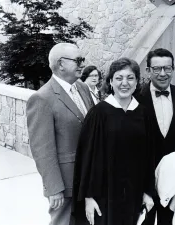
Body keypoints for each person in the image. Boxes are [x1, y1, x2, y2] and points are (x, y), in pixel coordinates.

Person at [71, 58, 155, 225]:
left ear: (137, 81)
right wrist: (88, 197)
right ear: (110, 81)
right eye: (119, 78)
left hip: (134, 193)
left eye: (130, 78)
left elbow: (149, 157)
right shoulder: (98, 114)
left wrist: (148, 191)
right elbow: (87, 159)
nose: (125, 83)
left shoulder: (143, 114)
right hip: (103, 195)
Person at [26, 43, 94, 225]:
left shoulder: (82, 88)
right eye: (78, 60)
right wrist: (54, 188)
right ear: (61, 64)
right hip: (65, 184)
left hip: (88, 178)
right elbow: (42, 149)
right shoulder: (42, 98)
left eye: (82, 60)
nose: (82, 64)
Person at [135, 48, 175, 225]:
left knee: (171, 221)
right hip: (143, 175)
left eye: (167, 68)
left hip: (173, 177)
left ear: (173, 69)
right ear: (148, 70)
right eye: (157, 69)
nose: (162, 74)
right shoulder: (135, 98)